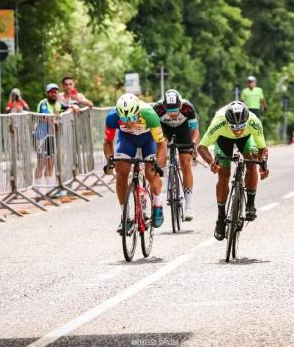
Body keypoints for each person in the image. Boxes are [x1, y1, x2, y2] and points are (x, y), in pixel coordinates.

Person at [197, 101, 269, 241]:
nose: (237, 130)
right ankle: (221, 216)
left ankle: (250, 204)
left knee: (251, 162)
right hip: (223, 139)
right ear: (227, 122)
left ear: (246, 121)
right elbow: (202, 147)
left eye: (241, 126)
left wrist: (263, 166)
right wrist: (211, 163)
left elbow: (262, 148)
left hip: (246, 139)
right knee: (223, 174)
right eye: (234, 127)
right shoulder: (219, 122)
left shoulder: (254, 121)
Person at [104, 93, 167, 233]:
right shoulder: (112, 117)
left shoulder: (149, 115)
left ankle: (157, 204)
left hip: (148, 140)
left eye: (132, 117)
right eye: (124, 118)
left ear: (138, 112)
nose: (128, 122)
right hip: (127, 140)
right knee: (121, 175)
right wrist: (110, 160)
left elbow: (161, 144)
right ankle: (126, 217)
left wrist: (158, 162)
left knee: (152, 174)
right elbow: (108, 142)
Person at [152, 89, 200, 221]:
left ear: (180, 105)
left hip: (183, 129)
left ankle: (189, 206)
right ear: (164, 106)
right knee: (160, 155)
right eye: (169, 110)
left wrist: (193, 144)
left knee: (185, 163)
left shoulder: (187, 108)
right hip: (164, 129)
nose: (173, 113)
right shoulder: (157, 109)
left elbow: (194, 130)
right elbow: (154, 132)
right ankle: (158, 194)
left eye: (175, 109)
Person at [34, 83, 68, 187]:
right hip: (41, 137)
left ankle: (49, 190)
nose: (53, 94)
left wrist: (74, 107)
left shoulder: (59, 104)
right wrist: (54, 127)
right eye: (51, 92)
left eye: (55, 92)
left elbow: (67, 108)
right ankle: (39, 193)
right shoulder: (43, 103)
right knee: (41, 163)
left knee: (50, 163)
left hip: (52, 137)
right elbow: (47, 117)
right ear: (47, 93)